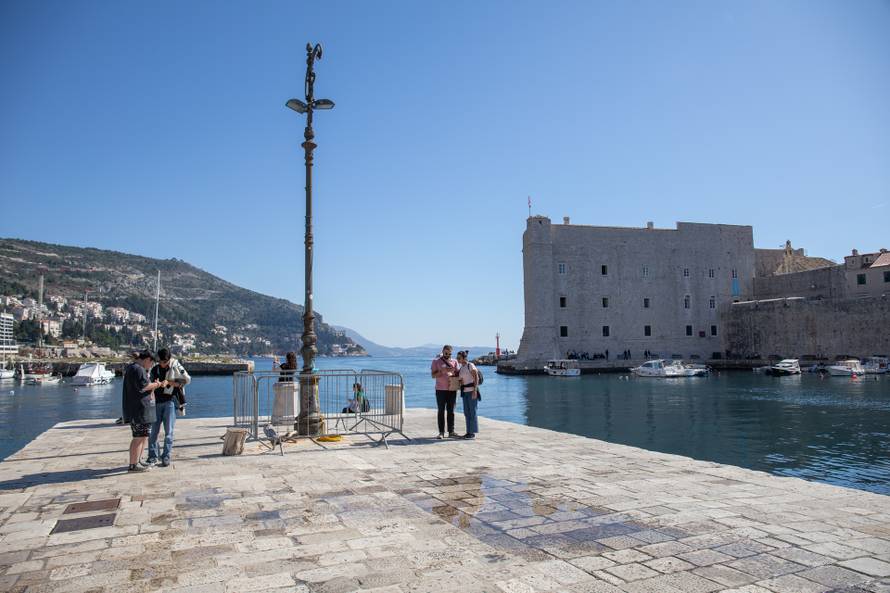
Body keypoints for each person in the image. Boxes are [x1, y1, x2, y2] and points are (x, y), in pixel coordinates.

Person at [147, 348, 191, 467]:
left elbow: (186, 380)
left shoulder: (175, 367)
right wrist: (156, 384)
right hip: (156, 402)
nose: (162, 364)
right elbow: (149, 384)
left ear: (168, 359)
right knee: (153, 432)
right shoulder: (155, 369)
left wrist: (170, 382)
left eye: (164, 361)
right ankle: (152, 456)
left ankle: (166, 456)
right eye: (160, 361)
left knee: (169, 432)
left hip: (170, 402)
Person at [121, 350, 163, 472]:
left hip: (140, 408)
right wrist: (157, 384)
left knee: (143, 436)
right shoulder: (138, 369)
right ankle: (133, 465)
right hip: (139, 409)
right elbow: (144, 386)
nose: (151, 366)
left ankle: (138, 460)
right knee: (138, 437)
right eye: (151, 363)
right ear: (148, 359)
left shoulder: (133, 368)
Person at [430, 345, 459, 439]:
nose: (448, 355)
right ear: (443, 351)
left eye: (450, 353)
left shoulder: (455, 362)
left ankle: (451, 431)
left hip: (452, 389)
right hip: (440, 390)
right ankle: (441, 432)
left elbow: (458, 374)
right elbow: (433, 375)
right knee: (441, 411)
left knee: (451, 411)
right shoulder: (436, 361)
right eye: (446, 353)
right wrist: (442, 371)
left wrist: (453, 373)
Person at [456, 351, 480, 439]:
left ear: (464, 358)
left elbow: (476, 377)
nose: (457, 359)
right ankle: (468, 432)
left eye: (459, 358)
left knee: (472, 412)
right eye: (457, 358)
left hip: (472, 391)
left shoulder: (471, 365)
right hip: (465, 392)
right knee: (466, 412)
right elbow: (462, 380)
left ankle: (472, 433)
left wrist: (475, 390)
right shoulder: (461, 368)